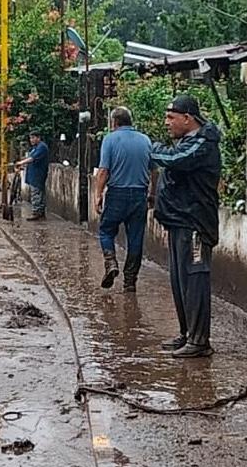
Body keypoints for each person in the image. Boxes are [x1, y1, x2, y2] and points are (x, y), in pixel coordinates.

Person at [149, 94, 222, 358]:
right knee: (180, 282)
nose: (167, 122)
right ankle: (187, 334)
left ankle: (199, 341)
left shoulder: (202, 144)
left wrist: (152, 148)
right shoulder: (187, 142)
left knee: (195, 280)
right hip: (179, 221)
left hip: (195, 225)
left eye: (171, 117)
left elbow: (175, 160)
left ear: (187, 118)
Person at [93, 106, 152, 292]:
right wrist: (153, 194)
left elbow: (103, 171)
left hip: (117, 193)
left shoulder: (110, 139)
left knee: (106, 230)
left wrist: (98, 194)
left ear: (114, 122)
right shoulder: (145, 140)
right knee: (135, 238)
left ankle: (110, 262)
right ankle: (130, 282)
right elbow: (155, 170)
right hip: (140, 194)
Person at [15, 131, 50, 220]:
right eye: (30, 138)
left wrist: (21, 162)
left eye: (33, 138)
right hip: (33, 174)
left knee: (36, 194)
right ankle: (40, 212)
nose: (31, 140)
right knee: (38, 193)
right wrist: (23, 165)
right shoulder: (35, 148)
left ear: (38, 138)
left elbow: (32, 158)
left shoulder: (42, 147)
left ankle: (37, 212)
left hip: (38, 175)